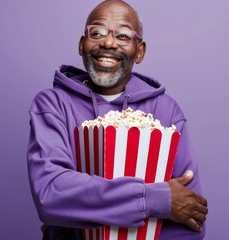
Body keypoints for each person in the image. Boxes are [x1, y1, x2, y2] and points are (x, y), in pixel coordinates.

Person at [27, 0, 208, 239]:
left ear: (140, 51)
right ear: (82, 45)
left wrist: (81, 208)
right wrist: (157, 199)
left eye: (123, 35)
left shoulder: (165, 111)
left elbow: (190, 213)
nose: (108, 42)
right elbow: (51, 195)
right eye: (97, 32)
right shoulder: (53, 105)